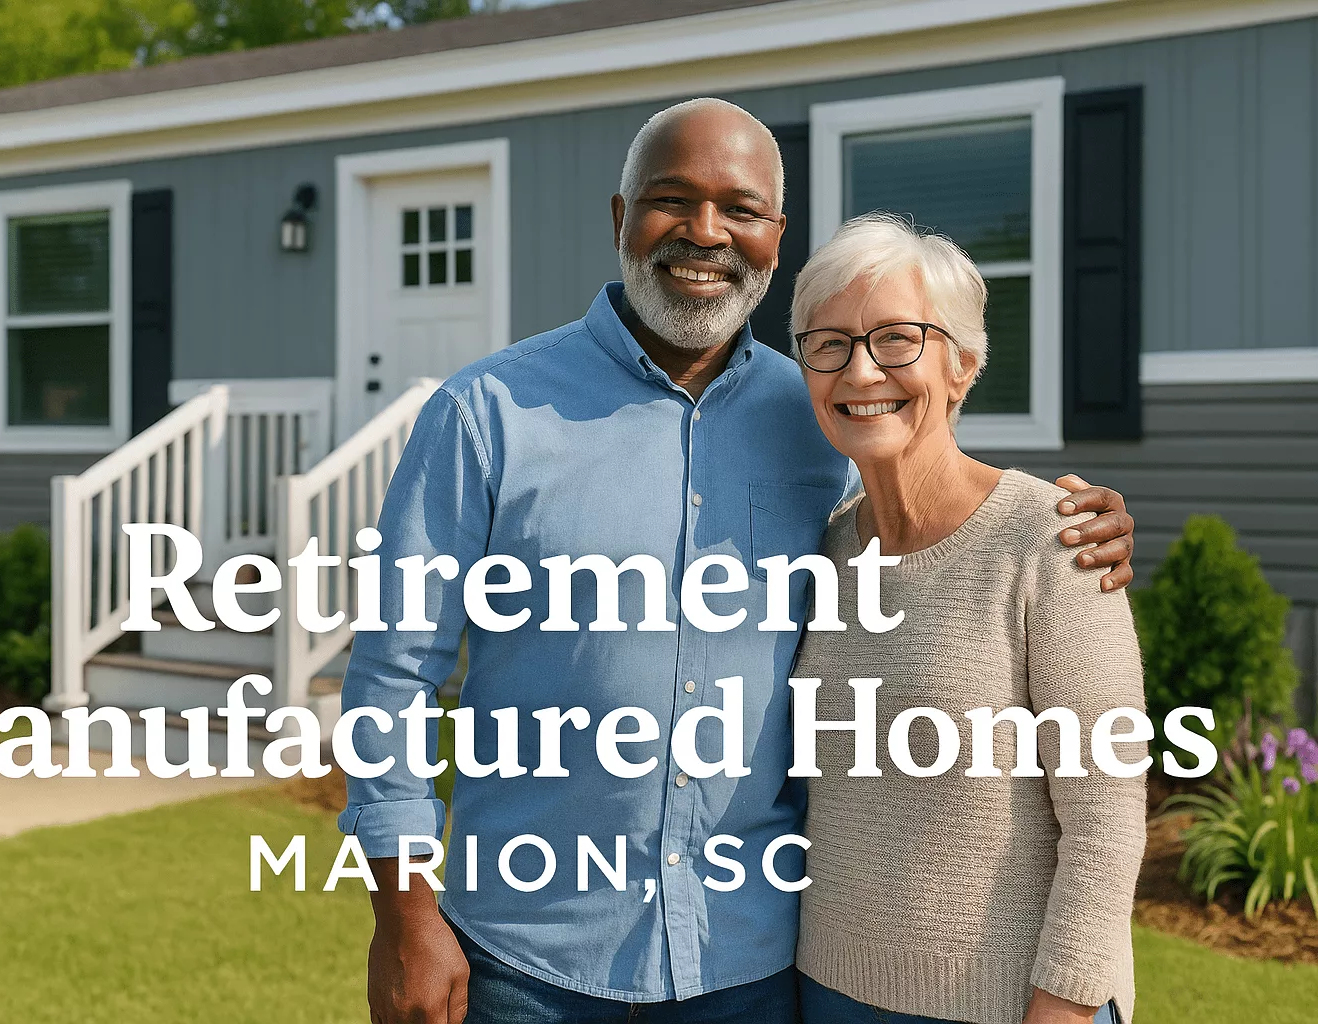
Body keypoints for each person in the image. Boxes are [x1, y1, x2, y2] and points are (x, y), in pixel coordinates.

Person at [340, 98, 1138, 1024]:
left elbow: (937, 506)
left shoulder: (819, 421)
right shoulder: (487, 415)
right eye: (671, 199)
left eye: (741, 209)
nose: (705, 232)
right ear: (619, 219)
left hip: (747, 971)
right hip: (525, 963)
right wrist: (402, 913)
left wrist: (1068, 526)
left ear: (775, 235)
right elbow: (393, 676)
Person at [787, 212, 1146, 1024]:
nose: (860, 370)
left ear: (963, 365)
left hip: (1010, 1003)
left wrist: (1062, 1008)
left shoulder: (1054, 540)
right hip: (829, 991)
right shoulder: (823, 551)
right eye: (830, 343)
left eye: (897, 339)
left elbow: (1107, 823)